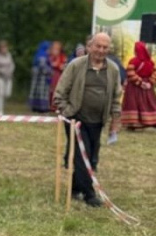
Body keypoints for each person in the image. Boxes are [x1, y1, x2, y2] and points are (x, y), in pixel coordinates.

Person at [54, 32, 122, 207]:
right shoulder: (76, 65)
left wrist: (115, 121)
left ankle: (76, 187)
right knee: (81, 156)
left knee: (91, 157)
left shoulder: (113, 69)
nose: (101, 50)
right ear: (89, 47)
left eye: (105, 47)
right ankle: (89, 194)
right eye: (98, 46)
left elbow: (116, 97)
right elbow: (60, 92)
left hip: (98, 120)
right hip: (76, 120)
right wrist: (67, 112)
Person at [121, 41, 156, 131]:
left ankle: (133, 123)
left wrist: (140, 82)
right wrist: (149, 83)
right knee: (149, 103)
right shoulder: (150, 62)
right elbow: (155, 73)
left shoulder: (133, 61)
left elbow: (130, 73)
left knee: (133, 104)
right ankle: (154, 121)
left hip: (134, 87)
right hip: (147, 87)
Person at [28, 41, 52, 112]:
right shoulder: (43, 54)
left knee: (36, 91)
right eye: (49, 48)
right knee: (41, 91)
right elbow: (42, 65)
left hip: (37, 75)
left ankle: (35, 107)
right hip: (41, 76)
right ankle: (42, 107)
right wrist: (49, 71)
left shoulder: (39, 53)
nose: (49, 50)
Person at [48, 41, 67, 108]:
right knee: (50, 90)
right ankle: (50, 104)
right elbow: (51, 63)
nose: (55, 51)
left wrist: (58, 65)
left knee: (57, 90)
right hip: (51, 75)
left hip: (58, 75)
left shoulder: (62, 56)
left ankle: (55, 105)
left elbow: (63, 65)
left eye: (57, 49)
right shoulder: (50, 56)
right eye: (54, 49)